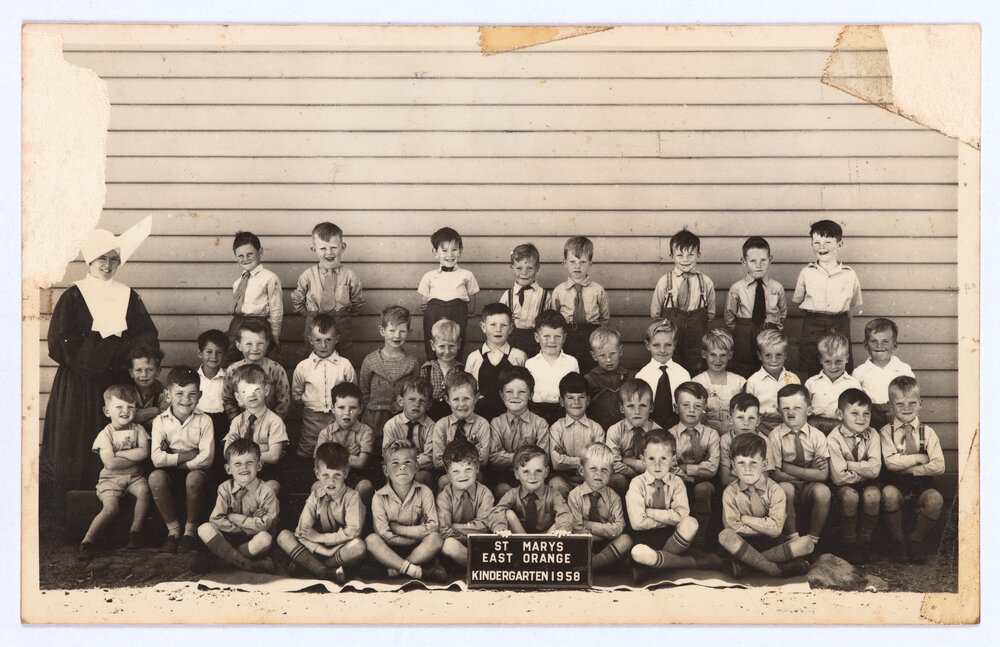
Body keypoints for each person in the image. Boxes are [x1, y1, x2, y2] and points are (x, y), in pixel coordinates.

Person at [42, 217, 158, 520]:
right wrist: (98, 349)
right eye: (101, 259)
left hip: (115, 381)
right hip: (78, 383)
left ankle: (117, 510)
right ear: (89, 260)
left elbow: (145, 337)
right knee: (77, 440)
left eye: (113, 259)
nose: (107, 265)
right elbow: (58, 342)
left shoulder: (128, 295)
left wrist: (118, 353)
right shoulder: (74, 295)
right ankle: (73, 513)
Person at [626, 431, 721, 583]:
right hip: (646, 538)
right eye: (651, 459)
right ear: (642, 459)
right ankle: (691, 562)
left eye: (663, 458)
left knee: (691, 523)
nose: (658, 465)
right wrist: (670, 517)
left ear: (673, 459)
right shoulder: (637, 483)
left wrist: (650, 512)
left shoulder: (677, 482)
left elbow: (682, 516)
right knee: (637, 552)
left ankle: (653, 567)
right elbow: (637, 524)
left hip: (673, 539)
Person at [717, 433, 812, 578]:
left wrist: (746, 519)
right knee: (725, 536)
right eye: (741, 463)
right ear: (733, 466)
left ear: (764, 464)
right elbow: (732, 526)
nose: (747, 468)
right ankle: (771, 568)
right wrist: (764, 526)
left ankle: (747, 566)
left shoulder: (775, 490)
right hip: (743, 542)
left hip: (770, 542)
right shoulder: (730, 492)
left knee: (807, 543)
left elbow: (776, 529)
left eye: (753, 463)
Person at [277, 442, 368, 583]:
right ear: (317, 473)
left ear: (346, 472)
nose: (331, 482)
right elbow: (302, 532)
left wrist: (320, 538)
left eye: (337, 475)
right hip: (317, 549)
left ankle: (310, 566)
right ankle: (325, 572)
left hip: (340, 548)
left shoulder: (352, 497)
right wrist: (324, 550)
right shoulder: (316, 496)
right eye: (325, 475)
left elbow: (353, 532)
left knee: (358, 546)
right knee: (283, 536)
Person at [78, 385, 152, 559]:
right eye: (119, 407)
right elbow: (110, 463)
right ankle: (88, 541)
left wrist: (118, 453)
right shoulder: (105, 434)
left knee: (145, 491)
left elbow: (144, 453)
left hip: (135, 477)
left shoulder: (139, 429)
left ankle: (135, 532)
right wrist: (129, 456)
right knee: (111, 508)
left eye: (130, 407)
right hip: (111, 479)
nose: (125, 411)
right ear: (107, 410)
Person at [879, 376, 946, 564]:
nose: (906, 408)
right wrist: (919, 459)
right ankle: (898, 541)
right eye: (899, 404)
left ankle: (915, 540)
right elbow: (890, 463)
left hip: (922, 485)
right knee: (889, 495)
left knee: (935, 499)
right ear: (890, 406)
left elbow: (939, 465)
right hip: (895, 485)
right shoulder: (886, 432)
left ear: (920, 404)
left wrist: (908, 470)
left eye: (912, 403)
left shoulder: (928, 432)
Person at [149, 366, 215, 554]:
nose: (185, 400)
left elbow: (206, 458)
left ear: (200, 395)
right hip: (170, 473)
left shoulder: (205, 421)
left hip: (195, 472)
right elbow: (156, 459)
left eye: (192, 394)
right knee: (155, 478)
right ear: (167, 394)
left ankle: (190, 532)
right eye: (179, 393)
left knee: (194, 478)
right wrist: (187, 455)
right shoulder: (160, 421)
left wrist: (179, 461)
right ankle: (173, 531)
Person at [364, 440, 448, 582]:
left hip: (418, 550)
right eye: (395, 463)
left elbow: (432, 527)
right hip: (389, 549)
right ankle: (414, 571)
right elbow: (383, 534)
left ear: (416, 467)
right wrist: (414, 534)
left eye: (408, 462)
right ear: (386, 470)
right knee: (371, 540)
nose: (402, 467)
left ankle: (399, 568)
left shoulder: (424, 492)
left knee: (436, 539)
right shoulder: (379, 497)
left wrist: (399, 529)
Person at [792, 219, 862, 378]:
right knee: (812, 364)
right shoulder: (806, 273)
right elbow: (798, 301)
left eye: (827, 242)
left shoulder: (849, 274)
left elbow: (853, 304)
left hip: (839, 322)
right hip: (812, 322)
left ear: (840, 244)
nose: (821, 247)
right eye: (816, 242)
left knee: (840, 362)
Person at [195, 438, 277, 574]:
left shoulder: (267, 492)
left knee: (265, 539)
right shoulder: (225, 488)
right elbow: (216, 520)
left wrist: (234, 517)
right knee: (204, 528)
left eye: (249, 463)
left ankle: (223, 560)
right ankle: (246, 563)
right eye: (237, 464)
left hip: (251, 541)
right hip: (227, 538)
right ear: (228, 469)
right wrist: (247, 524)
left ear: (259, 466)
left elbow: (264, 526)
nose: (244, 467)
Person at [766, 384, 831, 554]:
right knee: (784, 489)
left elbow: (823, 475)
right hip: (789, 484)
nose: (791, 412)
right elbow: (776, 474)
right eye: (785, 408)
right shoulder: (774, 436)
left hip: (809, 487)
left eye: (797, 407)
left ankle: (812, 541)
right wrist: (809, 473)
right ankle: (793, 539)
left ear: (809, 410)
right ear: (778, 410)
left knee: (823, 492)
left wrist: (788, 467)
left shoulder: (817, 436)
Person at [290, 221, 365, 364]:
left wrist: (342, 315)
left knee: (344, 357)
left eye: (334, 247)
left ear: (342, 247)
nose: (329, 253)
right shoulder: (308, 275)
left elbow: (357, 302)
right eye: (323, 248)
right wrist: (311, 316)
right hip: (314, 321)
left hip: (340, 323)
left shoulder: (350, 276)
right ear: (314, 250)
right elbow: (297, 300)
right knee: (311, 357)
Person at [650, 229, 716, 375]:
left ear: (698, 255)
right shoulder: (664, 282)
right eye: (680, 255)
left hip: (696, 338)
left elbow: (710, 313)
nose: (685, 259)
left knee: (696, 367)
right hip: (671, 337)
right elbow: (655, 313)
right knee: (671, 367)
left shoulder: (705, 282)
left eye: (690, 254)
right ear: (671, 256)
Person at [828, 388, 882, 563]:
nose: (862, 418)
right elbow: (838, 478)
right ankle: (850, 543)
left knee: (872, 495)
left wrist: (848, 465)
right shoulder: (833, 439)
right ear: (839, 414)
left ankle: (865, 542)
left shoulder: (873, 434)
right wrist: (863, 472)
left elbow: (875, 470)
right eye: (854, 413)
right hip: (843, 486)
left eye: (866, 413)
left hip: (869, 483)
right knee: (850, 496)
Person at [291, 314, 357, 459]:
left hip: (338, 416)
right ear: (310, 340)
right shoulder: (303, 367)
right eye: (318, 340)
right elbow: (296, 394)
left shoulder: (344, 365)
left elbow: (353, 391)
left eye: (328, 340)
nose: (323, 345)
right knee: (309, 448)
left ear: (337, 339)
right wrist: (311, 403)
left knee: (336, 448)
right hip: (312, 417)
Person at [666, 381, 720, 549]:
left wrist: (686, 469)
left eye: (697, 406)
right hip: (676, 482)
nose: (691, 410)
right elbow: (670, 466)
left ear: (704, 408)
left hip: (704, 483)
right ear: (676, 407)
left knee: (703, 489)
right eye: (686, 405)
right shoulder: (669, 434)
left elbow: (712, 468)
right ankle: (680, 539)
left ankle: (699, 541)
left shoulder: (711, 434)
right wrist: (688, 473)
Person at [359, 305, 421, 452]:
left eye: (402, 331)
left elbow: (414, 393)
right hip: (373, 420)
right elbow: (364, 391)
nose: (396, 336)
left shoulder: (412, 363)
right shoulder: (371, 361)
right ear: (382, 331)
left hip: (400, 420)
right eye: (392, 330)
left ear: (409, 332)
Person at [724, 236, 786, 378]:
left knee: (769, 366)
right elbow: (729, 317)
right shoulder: (737, 288)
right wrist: (741, 332)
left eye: (763, 260)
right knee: (743, 368)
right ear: (743, 262)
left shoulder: (776, 287)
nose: (758, 265)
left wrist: (773, 328)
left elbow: (782, 313)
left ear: (770, 260)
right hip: (744, 332)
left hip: (769, 330)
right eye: (753, 261)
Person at [223, 363, 290, 495]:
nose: (251, 395)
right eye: (245, 391)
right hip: (242, 472)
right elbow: (227, 453)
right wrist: (262, 449)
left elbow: (274, 456)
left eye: (256, 390)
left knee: (270, 488)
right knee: (229, 490)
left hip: (267, 473)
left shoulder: (275, 421)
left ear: (266, 391)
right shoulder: (237, 422)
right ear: (238, 397)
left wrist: (241, 454)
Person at [547, 236, 610, 374]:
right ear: (565, 263)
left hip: (591, 334)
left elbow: (605, 319)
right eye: (572, 261)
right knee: (568, 369)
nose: (577, 266)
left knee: (590, 370)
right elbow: (555, 318)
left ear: (590, 263)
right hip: (568, 335)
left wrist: (597, 335)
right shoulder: (559, 291)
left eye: (582, 262)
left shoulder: (598, 290)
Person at [567, 443, 633, 572]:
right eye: (593, 468)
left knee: (626, 540)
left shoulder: (614, 498)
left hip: (608, 543)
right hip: (584, 543)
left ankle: (591, 566)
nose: (599, 474)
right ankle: (604, 563)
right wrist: (604, 532)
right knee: (570, 541)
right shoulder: (574, 496)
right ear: (581, 471)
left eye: (604, 470)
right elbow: (577, 528)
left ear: (612, 473)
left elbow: (617, 529)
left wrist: (588, 524)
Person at [487, 367, 550, 498]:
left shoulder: (540, 423)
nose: (515, 396)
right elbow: (494, 457)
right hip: (505, 476)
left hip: (533, 475)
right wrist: (527, 457)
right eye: (509, 391)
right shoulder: (496, 423)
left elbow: (543, 457)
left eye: (521, 392)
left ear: (531, 395)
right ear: (501, 394)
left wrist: (510, 457)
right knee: (502, 489)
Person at [417, 227, 479, 360]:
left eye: (454, 250)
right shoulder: (429, 276)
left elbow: (472, 304)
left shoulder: (467, 275)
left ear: (460, 251)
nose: (450, 255)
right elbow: (424, 303)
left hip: (458, 315)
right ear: (435, 252)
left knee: (455, 347)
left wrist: (462, 311)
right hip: (434, 316)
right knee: (434, 346)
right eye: (444, 250)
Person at [438, 440, 502, 567]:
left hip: (480, 544)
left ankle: (481, 568)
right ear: (447, 473)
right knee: (449, 545)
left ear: (477, 468)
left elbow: (484, 527)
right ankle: (481, 568)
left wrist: (454, 526)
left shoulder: (485, 494)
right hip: (457, 548)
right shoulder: (444, 497)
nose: (463, 475)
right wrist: (467, 532)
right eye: (456, 471)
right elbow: (444, 531)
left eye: (468, 469)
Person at [225, 231, 282, 364]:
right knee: (230, 357)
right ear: (235, 257)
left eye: (250, 254)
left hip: (258, 323)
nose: (245, 259)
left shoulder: (269, 278)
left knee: (256, 358)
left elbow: (276, 309)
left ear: (260, 252)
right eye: (241, 256)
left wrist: (275, 335)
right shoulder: (238, 282)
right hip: (237, 323)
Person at [488, 444, 573, 535]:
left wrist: (563, 528)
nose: (532, 477)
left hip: (546, 538)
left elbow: (564, 513)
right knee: (507, 513)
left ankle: (541, 546)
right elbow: (497, 511)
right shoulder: (512, 494)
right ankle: (526, 543)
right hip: (520, 536)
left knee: (560, 523)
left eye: (538, 471)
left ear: (546, 472)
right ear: (517, 474)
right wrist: (500, 528)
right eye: (526, 471)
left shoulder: (554, 495)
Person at [314, 382, 375, 505]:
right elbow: (320, 461)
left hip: (356, 476)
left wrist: (332, 456)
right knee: (316, 487)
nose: (347, 413)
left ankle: (359, 521)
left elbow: (360, 462)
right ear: (333, 408)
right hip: (331, 475)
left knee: (365, 487)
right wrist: (348, 455)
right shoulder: (326, 433)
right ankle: (326, 521)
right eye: (341, 407)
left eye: (353, 408)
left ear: (360, 409)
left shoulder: (365, 431)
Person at [465, 303, 527, 421]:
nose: (498, 329)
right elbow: (468, 390)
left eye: (503, 325)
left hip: (511, 416)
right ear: (483, 327)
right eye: (492, 325)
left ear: (511, 328)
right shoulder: (474, 358)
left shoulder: (518, 356)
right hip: (481, 416)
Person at [548, 372, 605, 498]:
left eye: (581, 397)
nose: (576, 402)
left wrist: (567, 459)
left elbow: (599, 460)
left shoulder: (596, 429)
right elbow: (557, 462)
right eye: (570, 398)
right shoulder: (556, 428)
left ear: (588, 400)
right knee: (556, 484)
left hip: (592, 480)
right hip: (566, 480)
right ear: (561, 401)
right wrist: (586, 460)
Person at [852, 318, 915, 431]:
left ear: (895, 345)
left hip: (897, 415)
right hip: (871, 417)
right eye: (874, 341)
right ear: (866, 345)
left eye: (885, 341)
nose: (879, 345)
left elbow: (911, 396)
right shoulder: (859, 372)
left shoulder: (903, 370)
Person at [221, 318, 291, 421]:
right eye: (249, 344)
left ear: (267, 344)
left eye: (260, 343)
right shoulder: (232, 370)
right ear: (239, 345)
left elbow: (283, 402)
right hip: (241, 424)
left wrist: (272, 423)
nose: (255, 348)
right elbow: (228, 399)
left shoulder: (276, 370)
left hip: (270, 425)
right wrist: (238, 421)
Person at [430, 372, 491, 489]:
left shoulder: (482, 424)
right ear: (447, 400)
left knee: (478, 476)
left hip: (473, 473)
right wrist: (458, 469)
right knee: (444, 481)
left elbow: (482, 460)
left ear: (476, 398)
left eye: (466, 399)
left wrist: (465, 469)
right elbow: (438, 462)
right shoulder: (441, 425)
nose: (461, 404)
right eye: (456, 399)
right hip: (447, 473)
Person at [604, 379, 661, 496]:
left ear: (651, 407)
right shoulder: (615, 431)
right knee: (616, 479)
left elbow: (659, 465)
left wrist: (628, 460)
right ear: (621, 408)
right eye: (630, 406)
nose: (637, 411)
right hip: (625, 479)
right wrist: (635, 474)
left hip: (650, 480)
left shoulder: (658, 432)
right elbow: (614, 464)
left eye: (643, 406)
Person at [525, 309, 579, 425]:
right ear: (536, 337)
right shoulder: (530, 363)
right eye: (546, 336)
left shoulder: (571, 362)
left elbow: (576, 389)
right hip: (536, 412)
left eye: (557, 337)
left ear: (564, 338)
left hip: (563, 412)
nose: (552, 341)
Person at [381, 376, 436, 488]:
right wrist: (404, 464)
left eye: (422, 401)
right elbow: (388, 454)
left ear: (429, 405)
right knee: (390, 472)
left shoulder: (431, 426)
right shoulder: (391, 425)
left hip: (421, 468)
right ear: (401, 401)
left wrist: (409, 464)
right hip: (396, 466)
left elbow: (430, 456)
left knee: (423, 476)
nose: (416, 404)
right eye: (412, 399)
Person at [635, 318, 690, 431]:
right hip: (650, 432)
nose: (663, 350)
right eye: (656, 345)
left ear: (674, 345)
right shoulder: (642, 376)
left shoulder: (683, 375)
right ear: (648, 345)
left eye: (668, 345)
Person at [744, 329, 800, 434]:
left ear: (785, 355)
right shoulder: (753, 381)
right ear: (760, 356)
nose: (773, 360)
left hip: (788, 424)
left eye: (778, 355)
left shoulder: (793, 379)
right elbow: (749, 409)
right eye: (768, 355)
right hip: (762, 426)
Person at [692, 328, 746, 436]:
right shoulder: (697, 382)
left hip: (733, 436)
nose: (718, 360)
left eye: (723, 355)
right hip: (706, 437)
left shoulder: (739, 381)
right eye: (713, 355)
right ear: (704, 354)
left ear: (730, 355)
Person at [804, 333, 862, 433]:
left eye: (838, 361)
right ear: (820, 360)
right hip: (816, 428)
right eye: (828, 362)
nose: (833, 367)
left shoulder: (853, 384)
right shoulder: (812, 383)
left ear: (847, 358)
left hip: (842, 428)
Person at [499, 243, 549, 357]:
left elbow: (548, 324)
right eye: (519, 268)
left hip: (535, 342)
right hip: (512, 342)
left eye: (529, 268)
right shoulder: (507, 295)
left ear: (537, 268)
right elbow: (500, 321)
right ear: (512, 268)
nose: (524, 273)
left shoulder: (544, 295)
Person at [583, 326, 636, 432]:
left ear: (620, 351)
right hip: (598, 430)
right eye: (602, 355)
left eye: (613, 353)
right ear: (594, 355)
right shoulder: (589, 379)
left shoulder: (629, 376)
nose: (608, 359)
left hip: (625, 430)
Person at [718, 393, 769, 488]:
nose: (746, 423)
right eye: (740, 417)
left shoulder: (764, 441)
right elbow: (725, 479)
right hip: (733, 488)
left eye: (751, 418)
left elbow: (764, 478)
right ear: (730, 419)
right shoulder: (726, 440)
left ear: (758, 421)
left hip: (759, 489)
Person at [194, 329, 230, 458]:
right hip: (197, 423)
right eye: (209, 352)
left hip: (221, 423)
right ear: (200, 353)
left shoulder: (228, 378)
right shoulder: (193, 378)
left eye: (219, 352)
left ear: (225, 355)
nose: (214, 357)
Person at [420, 318, 465, 421]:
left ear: (459, 344)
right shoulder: (426, 369)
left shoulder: (461, 370)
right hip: (430, 420)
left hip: (454, 419)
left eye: (451, 346)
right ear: (433, 345)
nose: (447, 351)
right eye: (441, 346)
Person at [127, 344, 168, 433]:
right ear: (131, 372)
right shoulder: (127, 393)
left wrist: (137, 416)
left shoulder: (164, 393)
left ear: (158, 371)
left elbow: (164, 421)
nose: (144, 375)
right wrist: (155, 411)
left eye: (149, 370)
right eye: (138, 370)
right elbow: (125, 417)